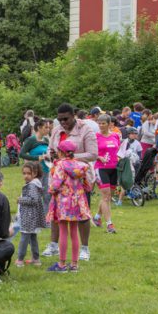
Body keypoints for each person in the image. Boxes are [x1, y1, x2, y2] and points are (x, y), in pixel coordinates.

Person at [42, 104, 97, 261]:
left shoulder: (86, 129)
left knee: (82, 213)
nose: (63, 122)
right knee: (56, 212)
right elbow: (51, 149)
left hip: (78, 179)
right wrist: (51, 155)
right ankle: (53, 245)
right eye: (60, 120)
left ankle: (84, 249)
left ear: (74, 115)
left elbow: (93, 154)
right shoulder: (57, 130)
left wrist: (70, 157)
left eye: (66, 119)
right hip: (59, 178)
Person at [46, 140, 92, 273]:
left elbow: (55, 184)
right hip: (78, 202)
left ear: (61, 152)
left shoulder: (60, 165)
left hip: (64, 203)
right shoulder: (81, 165)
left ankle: (61, 264)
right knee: (74, 232)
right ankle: (74, 264)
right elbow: (87, 186)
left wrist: (51, 190)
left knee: (63, 232)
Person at [13, 161, 45, 267]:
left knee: (24, 237)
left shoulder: (32, 186)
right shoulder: (35, 184)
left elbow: (33, 200)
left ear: (34, 173)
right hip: (32, 216)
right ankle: (36, 259)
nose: (25, 176)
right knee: (32, 237)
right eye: (24, 173)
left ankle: (20, 260)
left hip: (28, 217)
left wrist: (20, 200)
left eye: (28, 173)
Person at [92, 114, 120, 233]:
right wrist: (99, 157)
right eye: (99, 123)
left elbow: (119, 150)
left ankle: (97, 217)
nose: (101, 125)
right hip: (101, 168)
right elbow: (91, 153)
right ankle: (110, 224)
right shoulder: (95, 137)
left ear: (109, 124)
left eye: (103, 123)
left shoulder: (115, 135)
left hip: (114, 168)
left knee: (108, 197)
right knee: (106, 196)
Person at [116, 127, 142, 207]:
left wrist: (137, 161)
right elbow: (120, 154)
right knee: (125, 181)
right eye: (133, 134)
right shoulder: (124, 142)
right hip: (125, 163)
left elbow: (140, 154)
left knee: (129, 181)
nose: (135, 135)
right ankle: (120, 199)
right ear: (128, 134)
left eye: (136, 134)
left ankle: (123, 198)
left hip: (134, 163)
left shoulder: (137, 143)